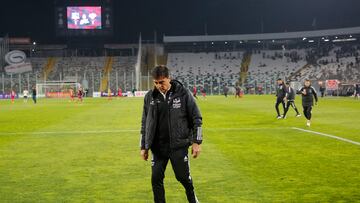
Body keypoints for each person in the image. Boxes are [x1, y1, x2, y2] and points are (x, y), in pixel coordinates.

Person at [140, 65, 202, 203]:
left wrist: (197, 142)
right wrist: (143, 146)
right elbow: (145, 123)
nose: (158, 86)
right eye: (155, 83)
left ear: (169, 78)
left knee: (183, 178)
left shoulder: (183, 93)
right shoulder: (149, 97)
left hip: (178, 146)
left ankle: (193, 199)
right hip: (158, 147)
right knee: (156, 179)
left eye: (161, 82)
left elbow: (196, 118)